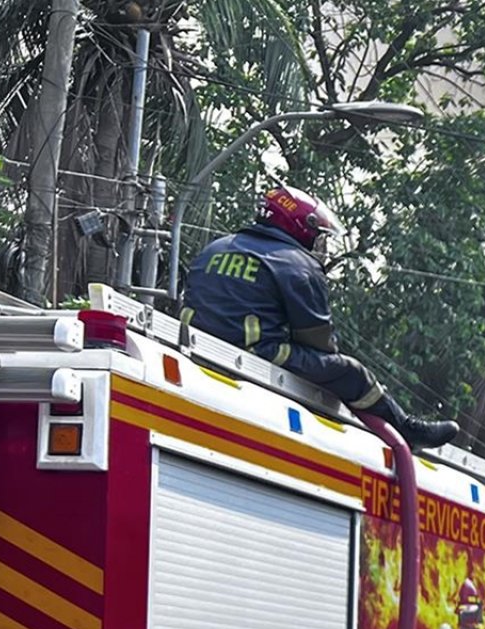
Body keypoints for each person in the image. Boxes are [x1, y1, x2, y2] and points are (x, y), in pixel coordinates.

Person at [180, 185, 459, 450]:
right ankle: (407, 430)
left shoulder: (215, 249)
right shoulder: (297, 263)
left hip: (198, 346)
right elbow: (317, 340)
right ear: (301, 226)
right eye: (318, 233)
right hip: (258, 353)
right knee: (352, 371)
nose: (319, 242)